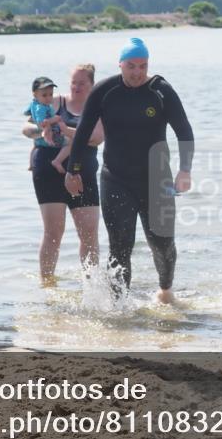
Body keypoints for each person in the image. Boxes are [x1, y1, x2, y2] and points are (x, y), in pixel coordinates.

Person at [64, 38, 194, 304]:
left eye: (143, 66)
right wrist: (72, 170)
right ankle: (119, 306)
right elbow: (84, 131)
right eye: (131, 66)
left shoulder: (161, 91)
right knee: (120, 246)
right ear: (120, 65)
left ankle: (166, 290)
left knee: (162, 244)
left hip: (158, 180)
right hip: (116, 178)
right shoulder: (104, 91)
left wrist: (185, 170)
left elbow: (184, 131)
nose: (137, 72)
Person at [22, 65, 104, 285]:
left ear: (92, 84)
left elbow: (95, 138)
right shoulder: (53, 100)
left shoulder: (97, 107)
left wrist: (61, 128)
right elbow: (26, 128)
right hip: (48, 171)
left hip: (83, 172)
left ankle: (92, 284)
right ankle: (47, 284)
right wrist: (43, 130)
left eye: (82, 83)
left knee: (89, 234)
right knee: (53, 232)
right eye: (73, 83)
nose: (76, 87)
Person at [28, 77, 69, 173]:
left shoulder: (35, 105)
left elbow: (28, 113)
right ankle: (57, 161)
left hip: (41, 140)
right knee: (70, 142)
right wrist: (55, 119)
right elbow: (42, 122)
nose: (48, 98)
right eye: (44, 95)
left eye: (50, 94)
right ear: (35, 95)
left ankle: (30, 164)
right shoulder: (40, 108)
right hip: (48, 137)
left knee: (34, 145)